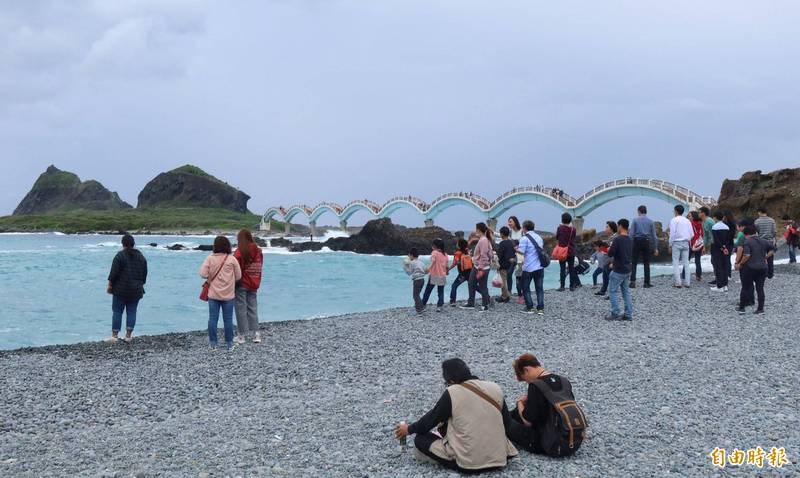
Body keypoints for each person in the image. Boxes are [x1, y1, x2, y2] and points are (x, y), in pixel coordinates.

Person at [394, 358, 518, 472]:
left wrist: (409, 429)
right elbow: (506, 423)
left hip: (469, 464)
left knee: (421, 439)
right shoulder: (495, 388)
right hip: (499, 459)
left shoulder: (453, 392)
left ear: (451, 381)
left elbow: (430, 420)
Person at [506, 353, 585, 456]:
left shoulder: (535, 386)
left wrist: (520, 402)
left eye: (524, 378)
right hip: (573, 442)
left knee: (505, 421)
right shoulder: (564, 381)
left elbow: (527, 422)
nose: (527, 382)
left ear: (526, 369)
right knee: (515, 413)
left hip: (549, 444)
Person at [200, 236, 242, 351]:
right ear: (227, 245)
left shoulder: (210, 258)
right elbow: (239, 276)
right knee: (228, 320)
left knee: (213, 319)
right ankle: (229, 344)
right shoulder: (231, 259)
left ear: (215, 246)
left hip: (213, 295)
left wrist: (211, 276)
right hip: (228, 295)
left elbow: (202, 274)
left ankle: (213, 345)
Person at [106, 234, 148, 343]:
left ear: (122, 244)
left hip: (120, 290)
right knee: (132, 311)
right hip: (136, 290)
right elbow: (144, 275)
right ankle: (128, 336)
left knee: (117, 312)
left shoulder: (120, 256)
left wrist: (110, 286)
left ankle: (114, 336)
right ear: (133, 244)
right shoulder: (141, 256)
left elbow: (113, 274)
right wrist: (140, 284)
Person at [735, 224, 775, 314]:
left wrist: (740, 263)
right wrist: (765, 257)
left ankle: (742, 308)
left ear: (746, 234)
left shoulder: (747, 242)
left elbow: (747, 255)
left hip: (749, 268)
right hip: (762, 268)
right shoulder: (764, 241)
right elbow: (773, 249)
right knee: (760, 289)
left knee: (745, 287)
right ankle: (760, 309)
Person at [234, 229, 264, 344]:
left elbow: (235, 267)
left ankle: (241, 336)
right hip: (254, 282)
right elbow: (260, 266)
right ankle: (256, 335)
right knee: (253, 307)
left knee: (241, 309)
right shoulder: (258, 251)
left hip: (242, 283)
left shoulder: (239, 251)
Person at [460, 223, 493, 311]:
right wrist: (473, 255)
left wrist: (481, 268)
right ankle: (471, 303)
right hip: (477, 266)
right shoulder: (484, 239)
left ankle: (485, 305)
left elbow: (484, 255)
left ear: (478, 230)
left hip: (481, 267)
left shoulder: (483, 240)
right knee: (471, 283)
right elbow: (486, 254)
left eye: (476, 229)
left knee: (482, 286)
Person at [605, 218, 633, 320]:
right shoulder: (630, 239)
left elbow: (610, 253)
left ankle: (615, 312)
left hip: (618, 269)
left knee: (612, 291)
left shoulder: (617, 239)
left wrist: (609, 248)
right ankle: (628, 314)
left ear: (620, 226)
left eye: (617, 226)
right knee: (626, 292)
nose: (617, 228)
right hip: (627, 269)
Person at [516, 220, 545, 314]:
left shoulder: (524, 238)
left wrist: (516, 249)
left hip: (528, 267)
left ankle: (530, 307)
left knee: (525, 288)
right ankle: (540, 309)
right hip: (539, 267)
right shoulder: (539, 238)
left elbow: (522, 251)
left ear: (524, 228)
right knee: (539, 288)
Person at [630, 205, 658, 288]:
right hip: (646, 241)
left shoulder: (635, 220)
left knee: (634, 262)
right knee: (646, 263)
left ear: (639, 211)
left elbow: (631, 234)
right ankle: (646, 283)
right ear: (646, 211)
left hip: (637, 241)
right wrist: (655, 247)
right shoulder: (650, 221)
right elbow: (654, 236)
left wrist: (628, 244)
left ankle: (632, 282)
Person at [669, 205, 694, 288]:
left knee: (675, 262)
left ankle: (678, 282)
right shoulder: (687, 221)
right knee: (686, 262)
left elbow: (672, 234)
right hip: (686, 242)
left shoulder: (674, 220)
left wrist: (670, 244)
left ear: (676, 211)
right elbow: (692, 234)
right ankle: (687, 282)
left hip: (676, 243)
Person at [421, 239, 449, 311]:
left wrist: (428, 269)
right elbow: (446, 266)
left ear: (435, 246)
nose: (432, 246)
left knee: (428, 291)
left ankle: (423, 304)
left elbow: (433, 262)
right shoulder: (445, 254)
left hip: (434, 275)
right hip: (442, 275)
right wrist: (447, 272)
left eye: (432, 245)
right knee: (440, 292)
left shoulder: (434, 252)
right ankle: (439, 306)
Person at [556, 213, 580, 291]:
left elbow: (557, 237)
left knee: (562, 269)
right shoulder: (573, 229)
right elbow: (573, 238)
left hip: (562, 251)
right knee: (571, 268)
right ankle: (572, 286)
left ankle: (562, 286)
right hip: (571, 251)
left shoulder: (560, 228)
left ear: (562, 220)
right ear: (570, 220)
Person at [708, 212, 731, 292]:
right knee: (724, 266)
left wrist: (721, 247)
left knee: (718, 267)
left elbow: (716, 240)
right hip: (726, 248)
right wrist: (725, 247)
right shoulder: (726, 227)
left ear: (715, 218)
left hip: (717, 249)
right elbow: (728, 239)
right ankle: (725, 286)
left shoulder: (715, 227)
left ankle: (719, 286)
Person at [594, 221, 617, 297]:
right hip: (606, 262)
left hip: (610, 262)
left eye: (607, 227)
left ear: (612, 228)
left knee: (611, 279)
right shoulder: (610, 238)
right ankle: (603, 291)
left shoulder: (614, 238)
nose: (605, 229)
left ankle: (611, 294)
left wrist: (612, 262)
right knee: (605, 277)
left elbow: (614, 251)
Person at [754, 207, 777, 279]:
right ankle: (770, 274)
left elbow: (756, 232)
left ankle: (763, 274)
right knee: (770, 258)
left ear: (760, 212)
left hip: (761, 241)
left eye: (758, 212)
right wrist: (774, 239)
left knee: (761, 258)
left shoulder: (757, 221)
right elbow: (774, 231)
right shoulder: (772, 220)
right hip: (770, 241)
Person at [495, 227, 517, 303]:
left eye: (500, 233)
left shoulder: (502, 243)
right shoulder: (510, 242)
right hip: (510, 264)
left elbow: (499, 255)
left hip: (503, 264)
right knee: (505, 280)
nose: (500, 234)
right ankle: (504, 295)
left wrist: (497, 265)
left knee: (503, 282)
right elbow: (513, 252)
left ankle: (505, 296)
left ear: (502, 234)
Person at [403, 248, 427, 314]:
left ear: (411, 255)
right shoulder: (421, 262)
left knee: (415, 295)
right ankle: (421, 307)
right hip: (422, 279)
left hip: (416, 280)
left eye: (409, 256)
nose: (409, 257)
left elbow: (409, 272)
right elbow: (426, 270)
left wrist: (405, 267)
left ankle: (419, 309)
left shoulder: (412, 263)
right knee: (417, 294)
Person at [448, 239, 471, 306]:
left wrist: (448, 269)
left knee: (454, 286)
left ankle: (452, 301)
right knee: (474, 286)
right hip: (470, 272)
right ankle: (486, 296)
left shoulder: (458, 253)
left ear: (459, 245)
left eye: (457, 243)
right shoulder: (467, 251)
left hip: (462, 274)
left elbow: (455, 263)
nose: (456, 244)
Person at [507, 216, 524, 301]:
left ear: (515, 222)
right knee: (509, 274)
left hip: (521, 258)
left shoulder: (522, 232)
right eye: (508, 222)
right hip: (513, 257)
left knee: (519, 277)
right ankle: (509, 292)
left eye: (510, 221)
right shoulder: (510, 233)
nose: (509, 223)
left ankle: (521, 295)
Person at [688, 211, 704, 281]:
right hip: (699, 244)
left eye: (690, 216)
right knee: (698, 260)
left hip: (692, 243)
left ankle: (683, 275)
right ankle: (698, 275)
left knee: (686, 260)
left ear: (693, 217)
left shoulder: (690, 223)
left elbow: (689, 234)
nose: (689, 217)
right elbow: (702, 234)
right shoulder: (700, 223)